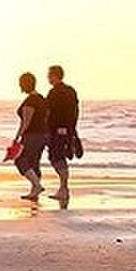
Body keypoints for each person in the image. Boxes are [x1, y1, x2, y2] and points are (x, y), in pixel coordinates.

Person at [46, 65, 81, 207]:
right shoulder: (70, 91)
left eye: (49, 75)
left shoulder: (54, 92)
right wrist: (72, 128)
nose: (48, 78)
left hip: (56, 129)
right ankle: (63, 187)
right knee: (60, 156)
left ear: (55, 76)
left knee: (56, 157)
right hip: (68, 128)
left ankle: (64, 188)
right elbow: (76, 111)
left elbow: (48, 113)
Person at [11, 72, 48, 200]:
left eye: (21, 83)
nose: (20, 86)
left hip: (32, 134)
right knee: (34, 162)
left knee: (20, 159)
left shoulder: (30, 101)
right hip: (43, 134)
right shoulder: (42, 99)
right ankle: (34, 190)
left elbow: (26, 122)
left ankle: (36, 185)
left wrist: (17, 138)